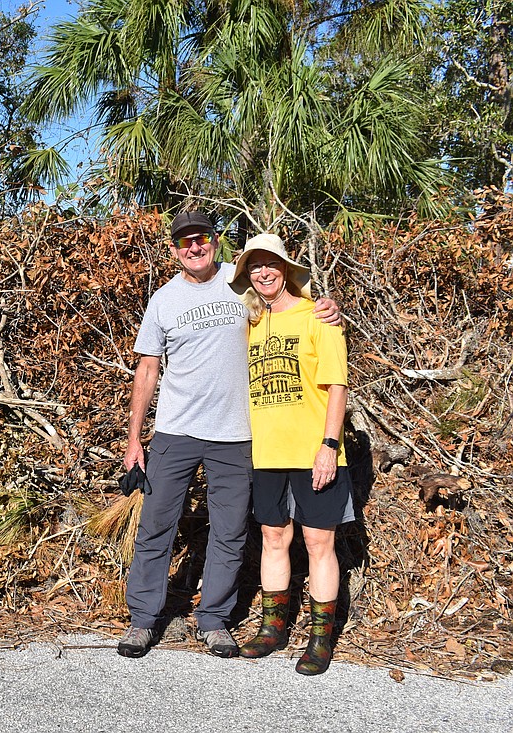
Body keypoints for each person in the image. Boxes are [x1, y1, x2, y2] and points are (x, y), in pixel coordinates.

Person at [118, 213, 340, 659]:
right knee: (156, 525)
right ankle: (142, 620)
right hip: (175, 432)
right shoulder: (163, 299)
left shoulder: (242, 285)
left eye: (200, 239)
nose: (193, 248)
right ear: (174, 248)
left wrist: (327, 305)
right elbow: (147, 369)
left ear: (216, 242)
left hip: (238, 436)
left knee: (229, 531)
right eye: (183, 242)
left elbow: (290, 303)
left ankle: (214, 620)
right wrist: (134, 438)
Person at [226, 232, 352, 676]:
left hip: (314, 450)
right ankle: (273, 628)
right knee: (273, 537)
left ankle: (321, 638)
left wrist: (329, 446)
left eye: (270, 263)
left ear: (286, 269)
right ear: (247, 275)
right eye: (254, 266)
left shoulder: (319, 316)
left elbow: (338, 385)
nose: (263, 272)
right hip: (266, 453)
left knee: (319, 542)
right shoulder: (250, 323)